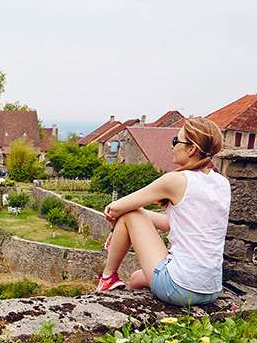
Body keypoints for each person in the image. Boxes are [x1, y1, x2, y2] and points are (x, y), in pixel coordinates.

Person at [95, 117, 230, 307]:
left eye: (176, 141)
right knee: (135, 279)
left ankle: (107, 277)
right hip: (210, 290)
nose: (172, 146)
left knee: (131, 213)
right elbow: (174, 223)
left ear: (191, 149)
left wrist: (117, 224)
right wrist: (123, 225)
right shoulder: (222, 183)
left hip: (180, 287)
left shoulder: (176, 180)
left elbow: (115, 207)